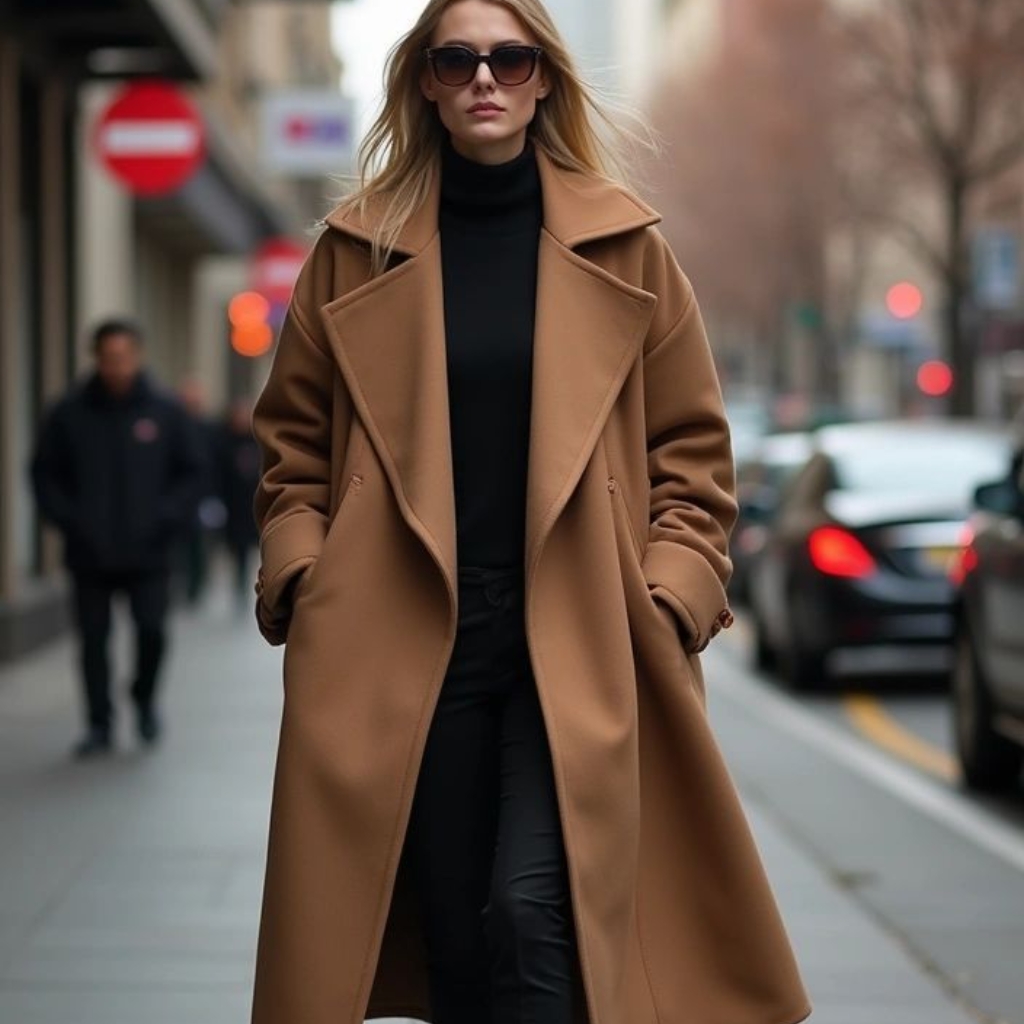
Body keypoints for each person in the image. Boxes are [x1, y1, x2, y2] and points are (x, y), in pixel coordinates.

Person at [250, 1, 811, 1023]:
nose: (485, 79)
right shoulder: (354, 249)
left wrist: (668, 595)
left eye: (510, 59)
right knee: (456, 934)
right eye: (457, 59)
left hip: (584, 628)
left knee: (530, 909)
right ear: (424, 81)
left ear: (544, 77)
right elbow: (293, 450)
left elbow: (692, 451)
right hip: (404, 633)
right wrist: (306, 574)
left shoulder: (626, 247)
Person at [31, 318, 205, 758]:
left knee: (152, 631)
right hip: (88, 552)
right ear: (96, 358)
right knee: (92, 641)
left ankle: (144, 698)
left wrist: (166, 517)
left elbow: (192, 473)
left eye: (124, 357)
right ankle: (99, 723)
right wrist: (70, 520)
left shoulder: (165, 411)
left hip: (150, 552)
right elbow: (44, 475)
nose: (117, 366)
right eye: (109, 358)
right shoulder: (69, 413)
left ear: (138, 356)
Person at [216, 398, 261, 609]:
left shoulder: (258, 441)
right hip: (233, 506)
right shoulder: (223, 441)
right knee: (238, 550)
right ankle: (239, 586)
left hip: (254, 504)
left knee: (251, 549)